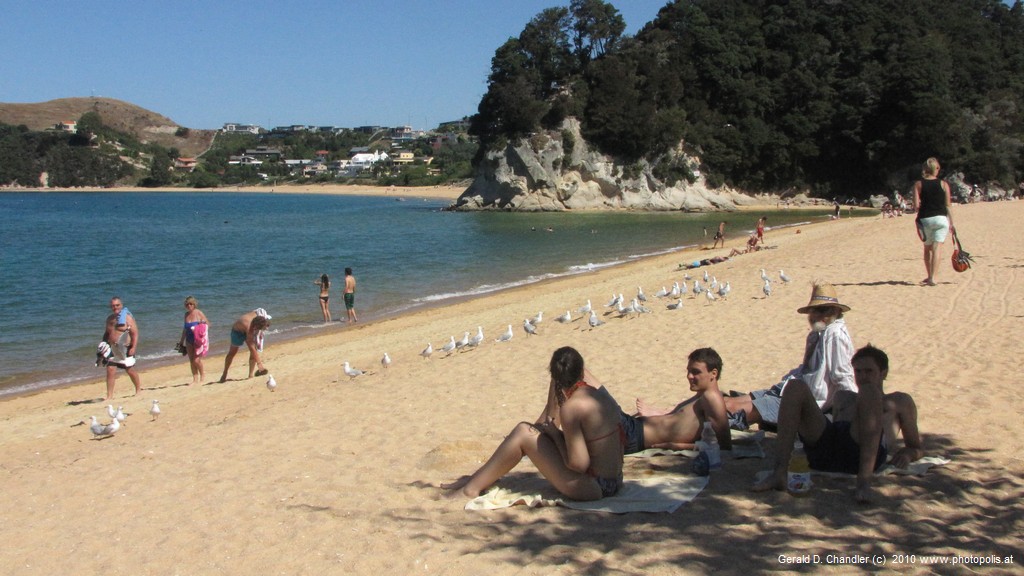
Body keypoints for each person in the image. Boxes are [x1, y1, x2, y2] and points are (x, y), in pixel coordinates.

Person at [442, 347, 625, 501]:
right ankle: (476, 479)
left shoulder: (572, 407)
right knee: (526, 433)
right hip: (615, 481)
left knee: (523, 431)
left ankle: (470, 489)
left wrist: (554, 435)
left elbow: (578, 464)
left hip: (593, 487)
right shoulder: (599, 395)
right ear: (581, 369)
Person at [752, 344, 923, 502]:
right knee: (795, 386)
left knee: (870, 391)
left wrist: (908, 454)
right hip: (830, 449)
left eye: (869, 371)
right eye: (858, 372)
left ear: (884, 373)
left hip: (862, 452)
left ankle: (864, 483)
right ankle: (779, 473)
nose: (863, 377)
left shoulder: (899, 401)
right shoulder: (844, 397)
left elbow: (916, 447)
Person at [724, 282, 857, 431]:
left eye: (822, 310)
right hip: (789, 389)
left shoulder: (835, 335)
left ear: (834, 312)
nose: (816, 315)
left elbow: (843, 376)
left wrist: (855, 410)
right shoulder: (818, 333)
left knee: (731, 408)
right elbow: (809, 368)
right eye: (814, 310)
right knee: (727, 402)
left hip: (804, 401)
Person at [622, 347, 732, 453]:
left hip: (634, 435)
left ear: (713, 373)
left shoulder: (712, 397)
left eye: (695, 372)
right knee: (606, 404)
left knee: (605, 404)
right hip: (633, 427)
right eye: (688, 371)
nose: (689, 376)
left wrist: (677, 446)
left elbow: (723, 445)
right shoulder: (702, 396)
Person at [913, 157, 954, 286]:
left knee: (927, 248)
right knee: (937, 247)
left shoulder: (918, 184)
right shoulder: (944, 184)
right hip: (941, 219)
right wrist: (952, 223)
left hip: (925, 219)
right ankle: (934, 278)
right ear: (936, 169)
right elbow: (948, 205)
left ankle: (929, 275)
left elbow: (916, 206)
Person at [99, 296, 142, 400]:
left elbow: (135, 334)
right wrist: (102, 346)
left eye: (117, 305)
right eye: (113, 306)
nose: (115, 307)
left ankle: (138, 389)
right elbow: (106, 333)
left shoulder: (127, 318)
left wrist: (133, 348)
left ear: (121, 305)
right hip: (112, 348)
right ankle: (109, 396)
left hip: (125, 348)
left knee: (129, 370)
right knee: (110, 369)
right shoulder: (109, 319)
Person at [218, 308, 271, 382]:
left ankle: (251, 375)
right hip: (237, 332)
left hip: (249, 328)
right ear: (255, 326)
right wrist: (260, 364)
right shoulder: (248, 326)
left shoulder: (260, 317)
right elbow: (251, 347)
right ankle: (224, 373)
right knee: (232, 352)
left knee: (254, 350)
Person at [177, 296, 210, 386]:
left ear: (194, 304)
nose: (189, 305)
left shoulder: (199, 313)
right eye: (187, 304)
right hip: (189, 339)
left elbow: (208, 324)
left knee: (196, 360)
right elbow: (185, 329)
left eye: (191, 304)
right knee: (191, 360)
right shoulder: (186, 315)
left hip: (198, 340)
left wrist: (201, 325)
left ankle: (202, 375)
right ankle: (195, 378)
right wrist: (181, 341)